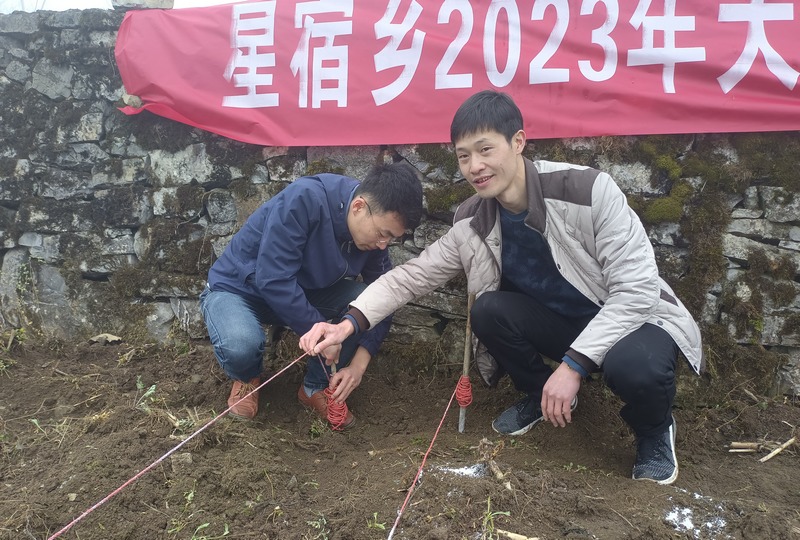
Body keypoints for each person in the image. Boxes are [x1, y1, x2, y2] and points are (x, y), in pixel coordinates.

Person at [299, 90, 703, 484]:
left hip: (635, 321)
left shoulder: (588, 191)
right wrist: (346, 325)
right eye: (463, 156)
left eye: (485, 149)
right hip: (563, 325)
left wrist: (573, 366)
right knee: (488, 311)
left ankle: (654, 432)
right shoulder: (473, 221)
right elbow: (410, 277)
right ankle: (541, 395)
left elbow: (635, 291)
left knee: (635, 366)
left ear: (518, 142)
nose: (474, 166)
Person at [200, 162, 423, 428]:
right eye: (383, 234)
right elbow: (273, 279)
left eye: (391, 239)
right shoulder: (305, 199)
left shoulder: (373, 239)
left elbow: (383, 296)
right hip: (239, 289)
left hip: (302, 294)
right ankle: (246, 377)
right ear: (358, 207)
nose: (383, 244)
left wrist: (358, 366)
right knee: (241, 345)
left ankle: (314, 387)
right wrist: (321, 331)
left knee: (363, 298)